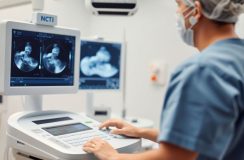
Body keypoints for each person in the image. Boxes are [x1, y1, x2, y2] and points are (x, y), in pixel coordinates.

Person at [83, 0, 244, 159]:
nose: (177, 13)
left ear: (196, 10)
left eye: (178, 5)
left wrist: (113, 157)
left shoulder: (202, 70)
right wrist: (141, 132)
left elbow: (176, 156)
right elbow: (210, 136)